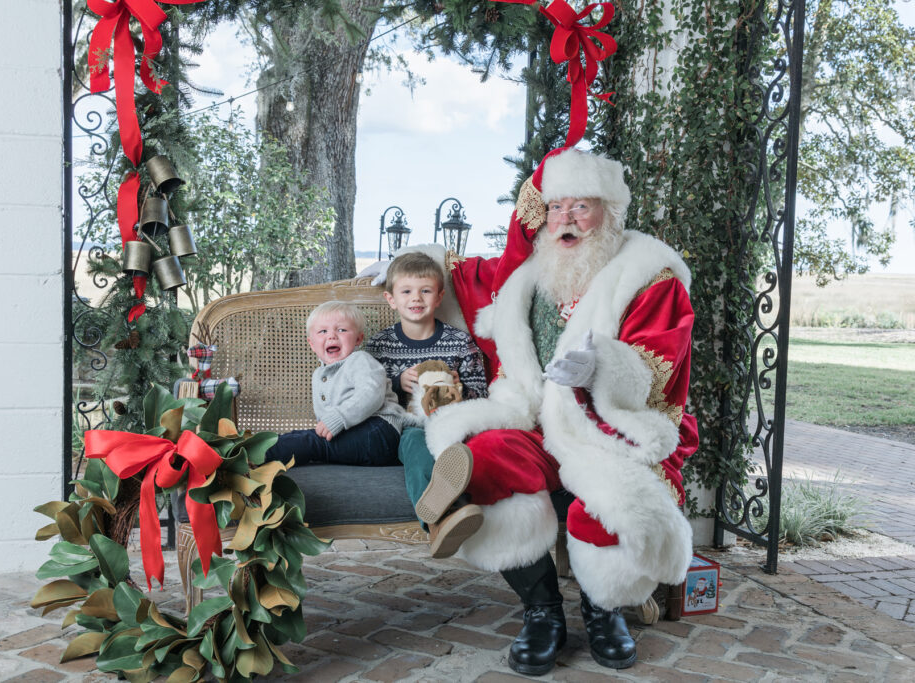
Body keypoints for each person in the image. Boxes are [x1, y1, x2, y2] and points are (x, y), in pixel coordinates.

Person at [384, 147, 698, 675]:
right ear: (542, 216)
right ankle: (542, 611)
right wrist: (405, 262)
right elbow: (462, 273)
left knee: (609, 501)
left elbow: (660, 364)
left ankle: (604, 611)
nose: (567, 220)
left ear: (610, 213)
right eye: (556, 208)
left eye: (582, 207)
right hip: (532, 420)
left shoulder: (649, 273)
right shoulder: (529, 273)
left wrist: (600, 369)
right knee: (480, 461)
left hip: (609, 429)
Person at [366, 253, 488, 557]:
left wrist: (456, 388)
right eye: (406, 291)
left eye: (425, 290)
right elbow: (362, 394)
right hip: (406, 427)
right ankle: (439, 523)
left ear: (439, 297)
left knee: (465, 448)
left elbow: (482, 393)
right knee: (416, 443)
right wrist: (396, 382)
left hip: (453, 425)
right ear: (391, 299)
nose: (415, 298)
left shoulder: (460, 342)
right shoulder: (379, 346)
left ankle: (451, 508)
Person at [264, 301, 416, 466]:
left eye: (341, 330)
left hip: (380, 431)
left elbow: (371, 393)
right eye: (323, 331)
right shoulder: (318, 375)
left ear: (358, 338)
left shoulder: (360, 360)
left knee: (311, 443)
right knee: (301, 438)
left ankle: (255, 455)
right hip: (355, 435)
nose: (331, 336)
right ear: (311, 344)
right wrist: (327, 425)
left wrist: (338, 418)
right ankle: (256, 448)